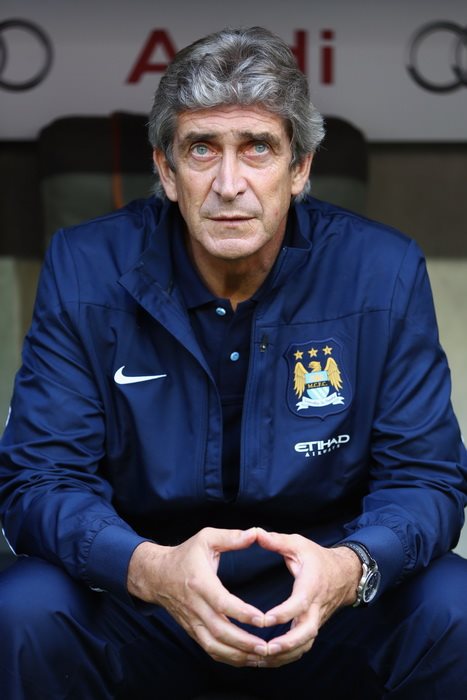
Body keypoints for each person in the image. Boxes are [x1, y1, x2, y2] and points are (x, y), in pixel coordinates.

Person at [0, 25, 467, 700]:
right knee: (23, 609)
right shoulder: (86, 267)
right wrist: (148, 569)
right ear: (166, 170)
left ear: (299, 168)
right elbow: (38, 479)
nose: (228, 184)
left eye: (257, 148)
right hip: (146, 593)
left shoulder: (381, 270)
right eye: (201, 149)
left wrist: (351, 568)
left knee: (452, 606)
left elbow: (426, 478)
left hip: (324, 595)